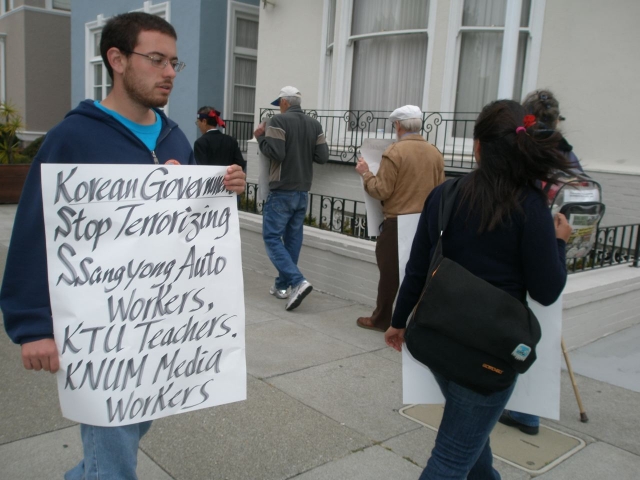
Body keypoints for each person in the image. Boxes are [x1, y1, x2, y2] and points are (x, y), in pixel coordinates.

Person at [0, 12, 246, 480]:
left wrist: (220, 187)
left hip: (158, 324)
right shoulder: (70, 138)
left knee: (133, 424)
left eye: (175, 62)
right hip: (97, 330)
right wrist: (32, 326)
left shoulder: (174, 135)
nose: (170, 72)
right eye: (156, 60)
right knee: (114, 455)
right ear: (116, 59)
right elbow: (35, 233)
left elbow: (189, 226)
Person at [385, 99, 573, 479]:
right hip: (491, 352)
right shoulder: (530, 206)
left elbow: (417, 268)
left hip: (439, 337)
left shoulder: (446, 195)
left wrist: (398, 320)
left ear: (478, 147)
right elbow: (546, 290)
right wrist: (559, 243)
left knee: (470, 442)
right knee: (454, 456)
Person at [499, 89, 585, 435]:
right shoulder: (565, 150)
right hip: (560, 243)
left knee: (518, 330)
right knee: (542, 330)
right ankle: (528, 411)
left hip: (528, 246)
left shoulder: (528, 148)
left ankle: (524, 411)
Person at [354, 105, 444, 332]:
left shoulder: (395, 152)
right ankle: (417, 322)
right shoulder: (435, 152)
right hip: (425, 222)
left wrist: (366, 173)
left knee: (389, 275)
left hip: (397, 222)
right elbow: (441, 191)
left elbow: (381, 191)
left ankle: (382, 319)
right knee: (419, 274)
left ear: (398, 125)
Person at [253, 86, 329, 311]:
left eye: (279, 103)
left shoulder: (278, 121)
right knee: (293, 238)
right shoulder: (314, 124)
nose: (279, 107)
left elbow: (276, 152)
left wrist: (260, 137)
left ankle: (297, 281)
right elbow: (322, 157)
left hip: (282, 189)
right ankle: (282, 286)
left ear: (285, 102)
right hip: (302, 190)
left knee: (272, 237)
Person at [194, 106, 246, 170]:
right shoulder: (231, 140)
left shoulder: (200, 143)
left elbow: (202, 169)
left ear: (204, 121)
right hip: (228, 178)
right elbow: (240, 165)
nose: (198, 126)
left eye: (198, 122)